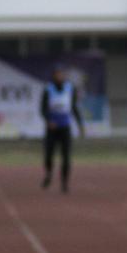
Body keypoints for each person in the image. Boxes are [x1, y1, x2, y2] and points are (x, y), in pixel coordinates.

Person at [39, 64, 85, 193]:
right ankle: (48, 174)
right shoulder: (48, 89)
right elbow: (42, 109)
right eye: (57, 74)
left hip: (65, 127)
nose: (60, 76)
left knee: (66, 156)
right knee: (48, 155)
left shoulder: (70, 89)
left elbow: (74, 107)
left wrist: (80, 125)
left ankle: (64, 182)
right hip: (52, 128)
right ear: (53, 75)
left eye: (62, 74)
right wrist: (49, 121)